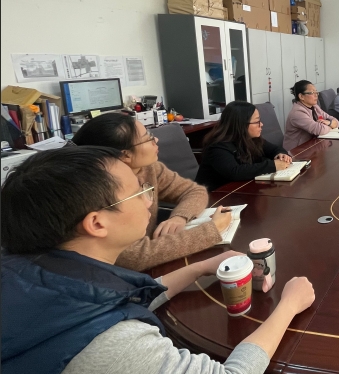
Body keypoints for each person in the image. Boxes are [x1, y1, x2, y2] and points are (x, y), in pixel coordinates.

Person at [1, 147, 315, 374]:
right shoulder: (110, 347)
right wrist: (289, 305)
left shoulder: (26, 270)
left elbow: (108, 304)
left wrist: (197, 268)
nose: (149, 201)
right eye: (139, 193)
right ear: (96, 223)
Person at [71, 113, 229, 271]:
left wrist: (180, 216)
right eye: (148, 138)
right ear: (125, 155)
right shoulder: (95, 192)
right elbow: (131, 257)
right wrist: (211, 230)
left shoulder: (147, 168)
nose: (156, 140)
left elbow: (194, 191)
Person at [196, 101, 293, 191]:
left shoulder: (252, 139)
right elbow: (235, 172)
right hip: (214, 197)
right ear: (241, 124)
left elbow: (274, 149)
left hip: (239, 191)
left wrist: (280, 154)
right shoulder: (217, 147)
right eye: (257, 121)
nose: (261, 124)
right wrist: (273, 165)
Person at [283, 80, 339, 151]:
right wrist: (331, 125)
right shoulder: (297, 113)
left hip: (311, 145)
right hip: (296, 151)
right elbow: (320, 130)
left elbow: (336, 121)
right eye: (312, 93)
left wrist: (329, 123)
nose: (316, 95)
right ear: (301, 96)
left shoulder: (315, 107)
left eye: (316, 92)